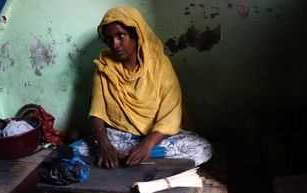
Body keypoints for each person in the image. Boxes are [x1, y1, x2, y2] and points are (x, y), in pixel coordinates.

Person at [71, 6, 212, 168]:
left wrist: (146, 145)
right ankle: (129, 158)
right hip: (120, 136)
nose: (115, 44)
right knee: (72, 151)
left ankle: (130, 157)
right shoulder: (105, 67)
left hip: (156, 137)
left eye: (121, 36)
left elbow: (171, 116)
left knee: (202, 149)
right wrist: (105, 146)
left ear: (136, 34)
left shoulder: (160, 65)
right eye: (109, 39)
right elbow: (96, 114)